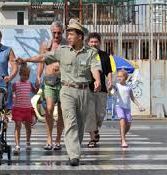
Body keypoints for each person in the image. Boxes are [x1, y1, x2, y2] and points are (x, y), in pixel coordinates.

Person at [16, 19, 102, 166]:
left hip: (83, 91)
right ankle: (73, 155)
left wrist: (97, 80)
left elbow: (95, 68)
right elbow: (42, 57)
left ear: (80, 36)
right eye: (67, 34)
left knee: (80, 124)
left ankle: (75, 148)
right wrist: (25, 59)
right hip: (66, 90)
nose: (68, 37)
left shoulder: (91, 53)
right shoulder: (62, 51)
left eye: (71, 34)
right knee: (71, 122)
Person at [36, 21, 66, 150]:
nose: (56, 35)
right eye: (54, 32)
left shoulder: (67, 45)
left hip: (64, 81)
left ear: (62, 32)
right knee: (48, 109)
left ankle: (58, 139)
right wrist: (38, 75)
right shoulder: (45, 45)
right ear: (51, 31)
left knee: (61, 111)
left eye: (59, 33)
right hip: (49, 80)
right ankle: (49, 138)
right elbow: (41, 61)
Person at [85, 32, 113, 148]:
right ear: (88, 43)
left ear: (99, 43)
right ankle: (92, 137)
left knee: (100, 114)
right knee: (90, 114)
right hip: (88, 88)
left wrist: (110, 81)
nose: (93, 44)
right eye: (91, 42)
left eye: (96, 42)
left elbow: (108, 71)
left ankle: (96, 128)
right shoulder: (85, 55)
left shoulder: (105, 55)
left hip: (102, 89)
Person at [111, 69, 145, 148]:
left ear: (125, 77)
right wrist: (110, 87)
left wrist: (139, 105)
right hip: (119, 106)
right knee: (122, 121)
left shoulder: (128, 87)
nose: (119, 78)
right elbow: (111, 90)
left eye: (121, 76)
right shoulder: (116, 85)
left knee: (128, 125)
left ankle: (122, 135)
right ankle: (123, 140)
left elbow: (132, 98)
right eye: (118, 76)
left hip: (127, 108)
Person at [12, 64, 39, 154]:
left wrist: (38, 85)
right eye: (24, 75)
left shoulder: (29, 84)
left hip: (27, 108)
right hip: (18, 109)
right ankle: (17, 145)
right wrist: (13, 96)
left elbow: (35, 91)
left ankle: (28, 141)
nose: (26, 77)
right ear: (20, 74)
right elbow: (11, 93)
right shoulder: (16, 84)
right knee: (18, 126)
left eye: (27, 75)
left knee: (28, 128)